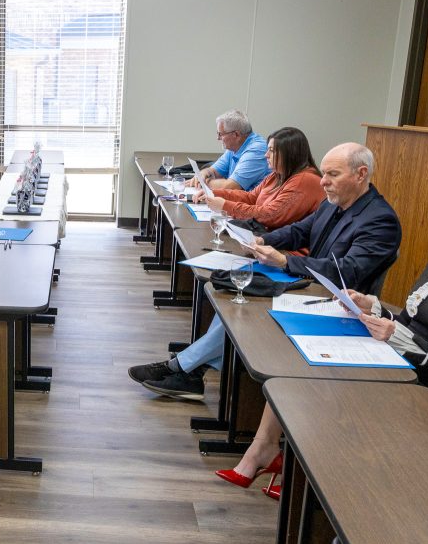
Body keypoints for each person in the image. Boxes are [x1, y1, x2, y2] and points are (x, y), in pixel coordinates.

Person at [217, 178, 428, 498]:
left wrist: (402, 340)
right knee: (304, 364)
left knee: (323, 383)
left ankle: (307, 482)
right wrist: (373, 306)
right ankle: (271, 454)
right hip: (397, 361)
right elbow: (410, 323)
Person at [129, 142, 400, 400]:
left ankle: (183, 367)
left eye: (332, 174)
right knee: (238, 292)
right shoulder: (333, 202)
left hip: (338, 304)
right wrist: (262, 241)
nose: (323, 181)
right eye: (324, 173)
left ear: (361, 175)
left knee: (245, 304)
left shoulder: (380, 220)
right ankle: (189, 369)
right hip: (310, 286)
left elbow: (347, 271)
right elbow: (299, 231)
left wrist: (284, 261)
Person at [196, 126, 324, 231]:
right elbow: (251, 197)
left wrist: (225, 205)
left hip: (287, 251)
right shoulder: (278, 175)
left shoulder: (304, 180)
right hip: (266, 239)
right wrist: (215, 194)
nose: (266, 155)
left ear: (289, 154)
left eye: (272, 151)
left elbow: (270, 215)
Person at [188, 109, 271, 191]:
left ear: (236, 135)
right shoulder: (234, 147)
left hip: (255, 203)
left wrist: (204, 182)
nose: (218, 138)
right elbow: (212, 171)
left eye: (220, 134)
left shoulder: (256, 150)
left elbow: (231, 187)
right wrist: (203, 174)